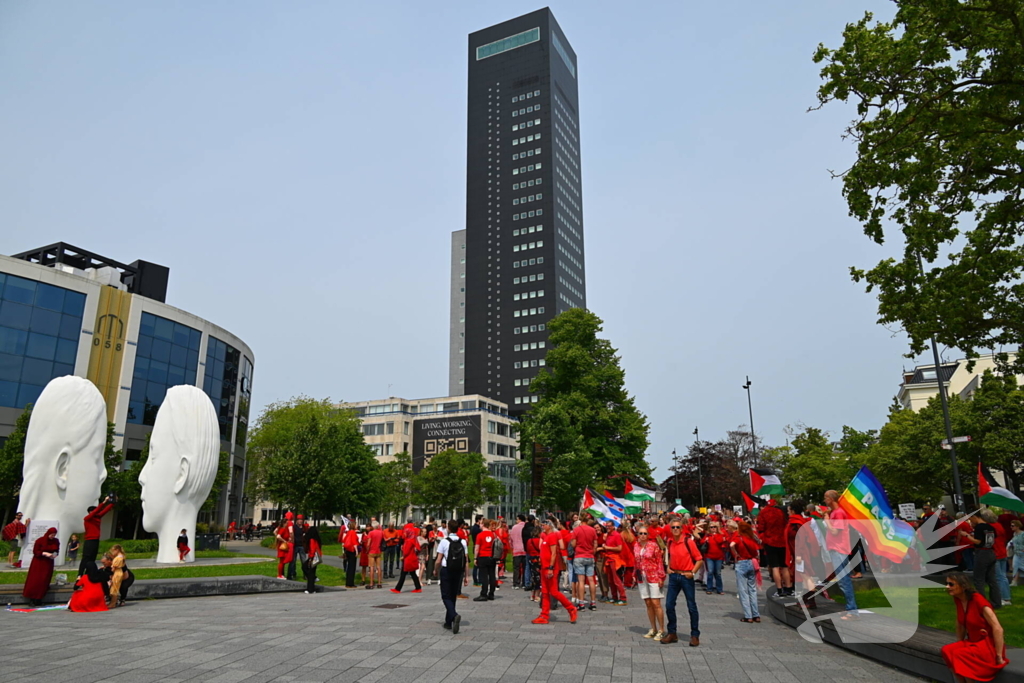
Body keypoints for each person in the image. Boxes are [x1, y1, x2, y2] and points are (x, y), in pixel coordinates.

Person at [941, 571, 1008, 683]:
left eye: (951, 584)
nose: (947, 587)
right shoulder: (958, 599)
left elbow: (998, 628)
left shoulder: (978, 600)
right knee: (947, 650)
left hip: (987, 645)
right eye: (947, 583)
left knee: (960, 654)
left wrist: (999, 656)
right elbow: (960, 624)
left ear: (963, 586)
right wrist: (959, 643)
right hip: (973, 643)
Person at [661, 517, 703, 646]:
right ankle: (672, 632)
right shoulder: (670, 541)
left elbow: (699, 559)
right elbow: (668, 556)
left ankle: (695, 634)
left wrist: (692, 573)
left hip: (686, 576)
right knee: (669, 605)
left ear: (681, 528)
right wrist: (667, 567)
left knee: (691, 606)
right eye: (672, 527)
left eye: (677, 527)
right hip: (674, 575)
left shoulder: (688, 541)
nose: (675, 529)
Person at [531, 519, 577, 624]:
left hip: (550, 568)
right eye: (542, 525)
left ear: (549, 526)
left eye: (544, 525)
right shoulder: (545, 536)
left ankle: (571, 608)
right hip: (544, 567)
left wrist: (551, 567)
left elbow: (554, 553)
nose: (542, 527)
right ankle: (544, 615)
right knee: (545, 592)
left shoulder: (552, 536)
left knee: (554, 592)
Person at [823, 489, 858, 619]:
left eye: (825, 498)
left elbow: (835, 532)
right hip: (835, 549)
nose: (824, 500)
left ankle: (852, 610)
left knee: (844, 580)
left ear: (831, 499)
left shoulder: (838, 513)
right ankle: (849, 608)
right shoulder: (835, 513)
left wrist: (826, 520)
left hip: (839, 550)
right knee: (842, 580)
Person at [958, 509, 1001, 609]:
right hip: (990, 551)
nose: (970, 521)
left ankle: (981, 603)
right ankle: (996, 602)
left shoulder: (979, 527)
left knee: (979, 579)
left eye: (970, 519)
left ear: (975, 517)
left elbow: (978, 541)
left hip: (981, 553)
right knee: (992, 579)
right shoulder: (990, 527)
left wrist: (967, 535)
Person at [434, 519, 469, 634]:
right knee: (453, 595)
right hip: (458, 571)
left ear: (448, 528)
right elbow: (466, 560)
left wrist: (435, 570)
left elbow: (439, 560)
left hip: (447, 570)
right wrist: (466, 576)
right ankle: (448, 622)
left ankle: (454, 615)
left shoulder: (444, 542)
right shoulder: (463, 542)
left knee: (445, 595)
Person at [634, 525, 666, 641]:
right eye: (640, 533)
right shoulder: (636, 546)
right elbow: (636, 562)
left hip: (654, 576)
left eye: (645, 533)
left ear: (648, 535)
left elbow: (659, 562)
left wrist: (661, 577)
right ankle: (653, 628)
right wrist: (634, 575)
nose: (642, 536)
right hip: (642, 577)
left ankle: (662, 629)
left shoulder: (653, 546)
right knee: (648, 603)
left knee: (656, 603)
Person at [757, 499, 792, 597]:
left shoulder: (763, 513)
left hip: (770, 542)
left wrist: (763, 539)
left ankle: (779, 589)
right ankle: (788, 588)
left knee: (775, 567)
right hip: (782, 542)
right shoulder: (782, 512)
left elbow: (761, 528)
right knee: (785, 567)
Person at [731, 520, 762, 623]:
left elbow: (731, 545)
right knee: (752, 589)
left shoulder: (739, 537)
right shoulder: (750, 538)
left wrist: (736, 554)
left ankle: (748, 616)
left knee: (743, 591)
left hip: (741, 563)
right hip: (751, 563)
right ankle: (756, 614)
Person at [23, 527, 59, 606]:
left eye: (54, 535)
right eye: (51, 535)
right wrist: (44, 553)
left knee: (44, 580)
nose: (52, 536)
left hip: (48, 563)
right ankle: (32, 599)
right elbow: (36, 551)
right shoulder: (40, 540)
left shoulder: (56, 541)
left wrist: (54, 555)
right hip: (38, 563)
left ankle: (39, 598)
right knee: (35, 580)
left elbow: (56, 550)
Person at [79, 495, 115, 575]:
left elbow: (105, 511)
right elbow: (97, 511)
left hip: (95, 540)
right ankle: (80, 574)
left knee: (92, 558)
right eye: (94, 511)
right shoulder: (87, 518)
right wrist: (104, 502)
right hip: (89, 540)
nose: (96, 512)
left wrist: (112, 503)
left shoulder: (97, 517)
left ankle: (88, 574)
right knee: (86, 558)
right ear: (90, 512)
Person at [571, 514, 599, 611]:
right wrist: (592, 551)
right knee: (591, 580)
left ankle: (581, 603)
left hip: (579, 555)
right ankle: (593, 602)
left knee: (581, 581)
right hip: (590, 556)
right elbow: (595, 544)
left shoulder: (576, 530)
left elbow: (573, 544)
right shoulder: (592, 530)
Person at [600, 521, 627, 606]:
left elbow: (619, 548)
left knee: (616, 580)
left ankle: (623, 598)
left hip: (615, 559)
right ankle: (614, 597)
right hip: (609, 559)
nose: (607, 527)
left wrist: (607, 547)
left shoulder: (616, 535)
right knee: (611, 580)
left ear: (613, 527)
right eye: (606, 526)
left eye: (609, 526)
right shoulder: (608, 535)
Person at [392, 527, 423, 593]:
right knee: (412, 574)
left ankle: (398, 589)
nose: (404, 534)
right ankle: (418, 587)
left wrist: (403, 555)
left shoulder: (408, 541)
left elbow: (406, 551)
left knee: (403, 574)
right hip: (411, 558)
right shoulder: (412, 539)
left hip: (408, 559)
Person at [474, 520, 497, 601]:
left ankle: (484, 593)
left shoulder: (480, 535)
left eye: (480, 523)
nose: (479, 525)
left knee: (484, 576)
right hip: (492, 556)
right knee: (492, 575)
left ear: (483, 525)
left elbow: (477, 548)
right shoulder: (493, 534)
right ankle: (491, 593)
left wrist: (475, 558)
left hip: (483, 556)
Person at [702, 520, 727, 596]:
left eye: (714, 527)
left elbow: (720, 541)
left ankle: (719, 589)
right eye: (711, 527)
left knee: (718, 573)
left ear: (717, 528)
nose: (713, 528)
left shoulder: (720, 535)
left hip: (719, 557)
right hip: (709, 556)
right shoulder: (707, 535)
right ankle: (709, 588)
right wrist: (705, 540)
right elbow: (701, 542)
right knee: (710, 572)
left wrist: (714, 536)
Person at [275, 512, 295, 579]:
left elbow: (275, 532)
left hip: (281, 545)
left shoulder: (280, 528)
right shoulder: (283, 529)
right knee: (281, 562)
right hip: (282, 546)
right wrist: (284, 541)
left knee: (282, 561)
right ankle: (279, 575)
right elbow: (278, 536)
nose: (287, 524)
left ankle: (281, 574)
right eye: (286, 523)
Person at [303, 525, 323, 594]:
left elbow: (312, 549)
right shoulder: (316, 539)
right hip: (317, 556)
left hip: (313, 556)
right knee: (312, 571)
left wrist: (310, 558)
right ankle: (312, 585)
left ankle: (310, 589)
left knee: (306, 568)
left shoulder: (311, 539)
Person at [288, 515, 307, 581]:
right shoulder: (294, 527)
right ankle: (292, 574)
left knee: (304, 561)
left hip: (302, 546)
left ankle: (306, 574)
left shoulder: (304, 528)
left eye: (301, 520)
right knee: (293, 561)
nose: (300, 521)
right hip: (295, 546)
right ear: (296, 521)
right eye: (299, 519)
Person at [366, 521, 384, 589]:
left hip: (372, 551)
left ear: (372, 526)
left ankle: (371, 583)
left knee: (371, 567)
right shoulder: (381, 532)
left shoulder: (371, 533)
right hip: (378, 550)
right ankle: (379, 583)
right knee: (379, 567)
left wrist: (367, 550)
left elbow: (368, 544)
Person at [341, 522, 359, 588]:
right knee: (352, 567)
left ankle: (347, 582)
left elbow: (344, 540)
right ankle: (351, 583)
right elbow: (354, 542)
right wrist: (356, 551)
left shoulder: (348, 532)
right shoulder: (353, 532)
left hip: (347, 550)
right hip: (352, 550)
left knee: (349, 567)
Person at [511, 514, 526, 588]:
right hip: (525, 549)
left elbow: (511, 538)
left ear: (519, 519)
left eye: (517, 519)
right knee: (525, 567)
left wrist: (512, 546)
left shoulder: (514, 527)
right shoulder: (525, 527)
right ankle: (524, 582)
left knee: (516, 567)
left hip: (516, 549)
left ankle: (516, 583)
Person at [1010, 519, 1023, 586]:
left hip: (1022, 553)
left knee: (1022, 567)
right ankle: (1014, 581)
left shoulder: (1023, 534)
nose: (1011, 527)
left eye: (1013, 526)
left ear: (1017, 526)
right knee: (1015, 566)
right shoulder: (1014, 534)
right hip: (1016, 553)